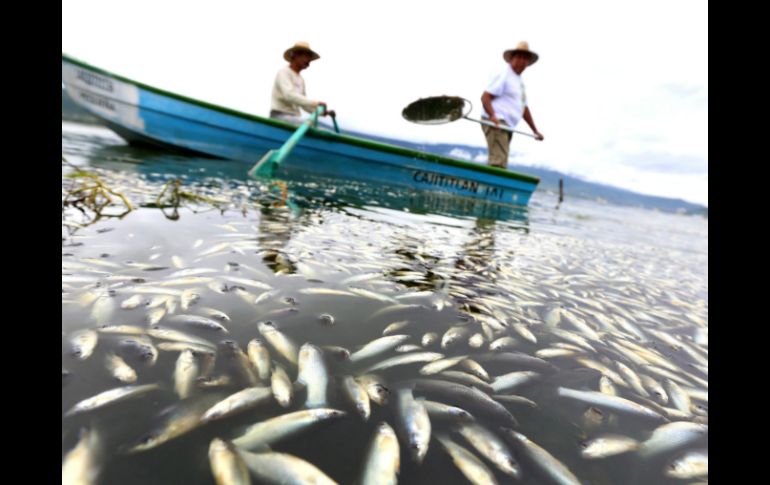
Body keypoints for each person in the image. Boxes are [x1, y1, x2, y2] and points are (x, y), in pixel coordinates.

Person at [480, 41, 544, 168]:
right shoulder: (504, 75)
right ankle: (492, 186)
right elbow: (485, 97)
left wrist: (535, 130)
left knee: (501, 158)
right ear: (512, 58)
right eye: (519, 57)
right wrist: (493, 116)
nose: (522, 61)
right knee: (498, 161)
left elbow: (523, 108)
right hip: (498, 122)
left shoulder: (519, 83)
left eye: (525, 58)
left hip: (508, 125)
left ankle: (493, 185)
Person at [270, 41, 334, 124]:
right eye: (306, 56)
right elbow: (289, 95)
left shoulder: (300, 79)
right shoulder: (284, 72)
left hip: (294, 117)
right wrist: (315, 103)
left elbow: (304, 104)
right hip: (279, 115)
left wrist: (322, 113)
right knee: (309, 124)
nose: (309, 60)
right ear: (296, 55)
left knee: (315, 126)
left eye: (310, 57)